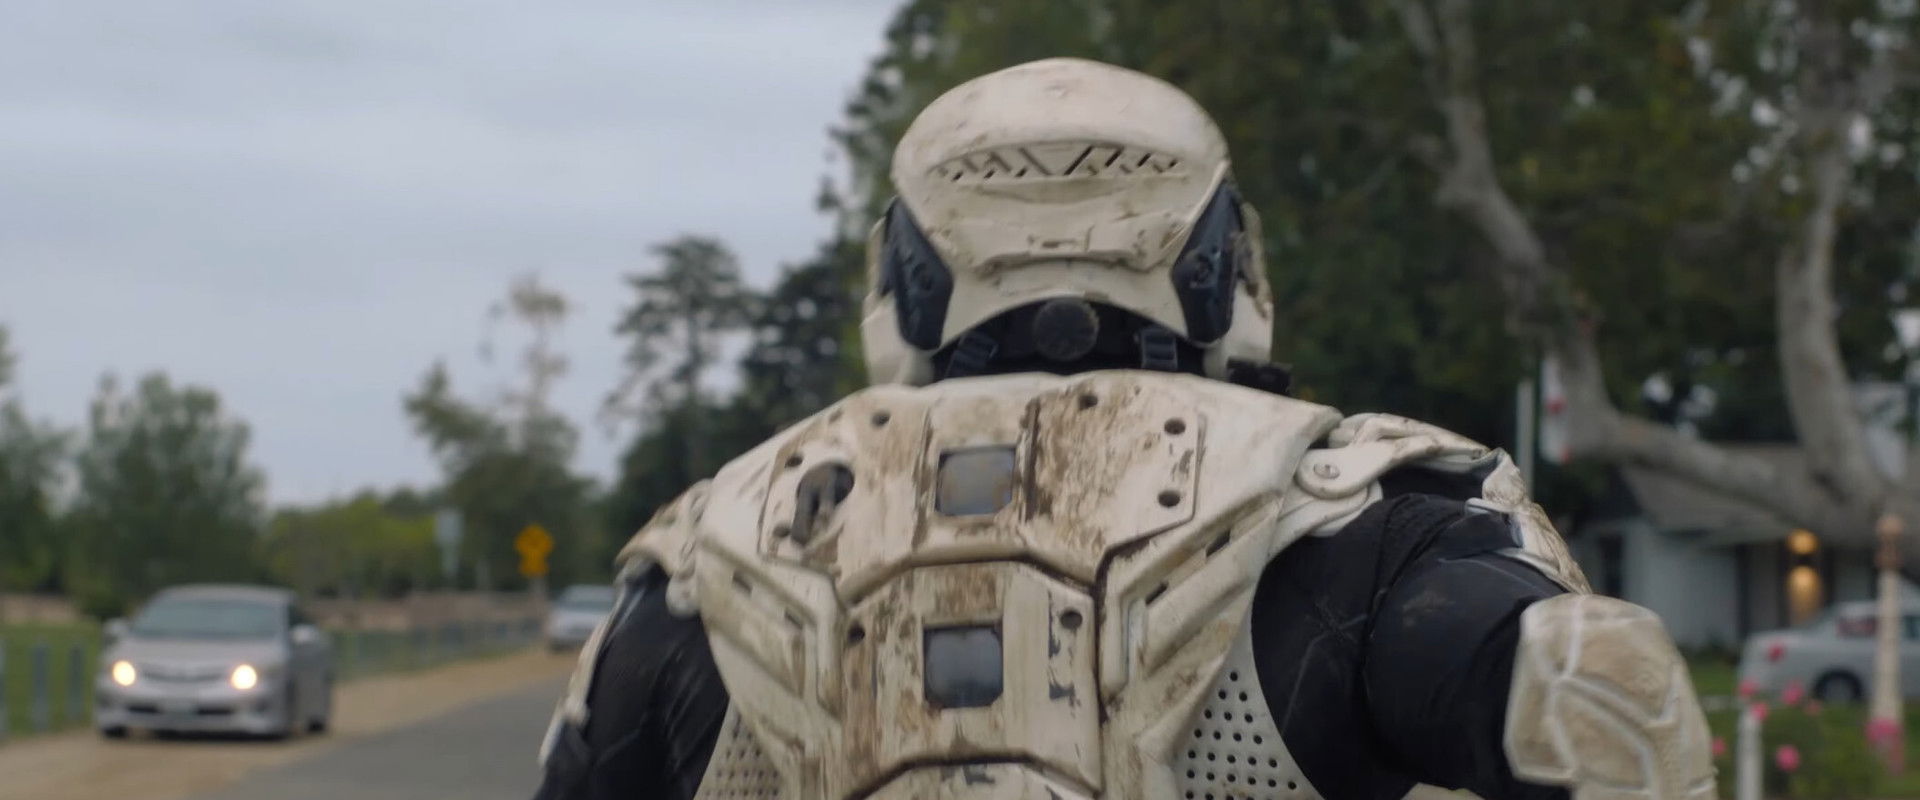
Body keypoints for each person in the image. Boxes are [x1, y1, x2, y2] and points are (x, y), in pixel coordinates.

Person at [531, 58, 1713, 800]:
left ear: (907, 269)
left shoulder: (713, 553)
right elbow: (1607, 697)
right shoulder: (1357, 521)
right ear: (1217, 259)